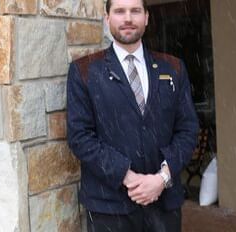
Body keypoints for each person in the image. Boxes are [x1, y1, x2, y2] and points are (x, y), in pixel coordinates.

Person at [66, 0, 199, 230]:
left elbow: (188, 131)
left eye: (135, 11)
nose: (128, 18)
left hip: (163, 203)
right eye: (119, 11)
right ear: (107, 19)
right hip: (109, 206)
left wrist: (161, 179)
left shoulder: (173, 68)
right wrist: (128, 178)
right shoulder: (85, 71)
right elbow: (80, 137)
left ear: (146, 17)